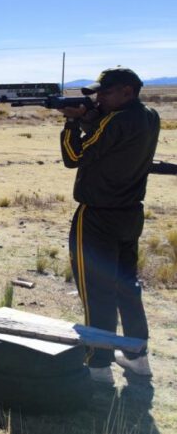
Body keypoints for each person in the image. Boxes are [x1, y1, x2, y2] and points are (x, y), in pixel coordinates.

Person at [59, 68, 159, 384]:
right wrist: (90, 117)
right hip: (129, 214)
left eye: (106, 93)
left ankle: (98, 365)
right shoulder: (149, 115)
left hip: (98, 215)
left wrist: (72, 122)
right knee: (127, 287)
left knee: (96, 291)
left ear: (127, 91)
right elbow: (110, 140)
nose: (99, 98)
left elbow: (73, 155)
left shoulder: (116, 121)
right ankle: (136, 356)